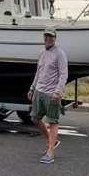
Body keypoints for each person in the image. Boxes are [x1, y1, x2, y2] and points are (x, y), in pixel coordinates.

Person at [27, 26, 68, 164]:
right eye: (46, 36)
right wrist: (32, 88)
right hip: (39, 90)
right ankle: (52, 140)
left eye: (51, 36)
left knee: (52, 121)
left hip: (51, 93)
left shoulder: (60, 54)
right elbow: (38, 72)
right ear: (44, 37)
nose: (48, 38)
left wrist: (58, 91)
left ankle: (50, 152)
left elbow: (63, 74)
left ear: (55, 38)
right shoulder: (42, 53)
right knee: (35, 118)